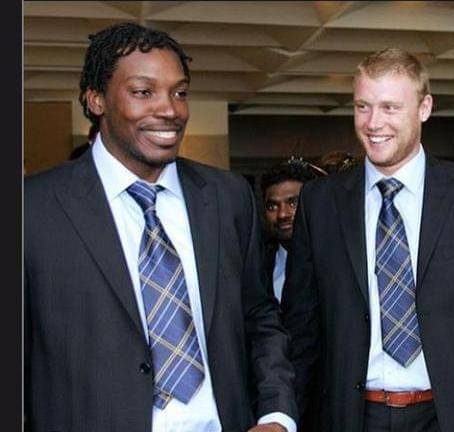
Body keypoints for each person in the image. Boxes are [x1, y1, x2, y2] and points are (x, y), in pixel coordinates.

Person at [24, 22, 296, 432]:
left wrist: (276, 415)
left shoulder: (228, 197)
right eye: (143, 92)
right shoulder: (34, 209)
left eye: (179, 93)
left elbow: (259, 316)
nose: (169, 110)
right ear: (96, 99)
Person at [281, 48, 454, 432]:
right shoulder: (321, 203)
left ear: (424, 107)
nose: (373, 123)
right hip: (352, 417)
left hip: (450, 417)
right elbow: (301, 333)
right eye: (363, 107)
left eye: (390, 108)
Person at [260, 157, 318, 303]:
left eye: (293, 203)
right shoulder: (257, 265)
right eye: (272, 206)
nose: (282, 214)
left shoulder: (332, 262)